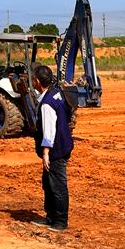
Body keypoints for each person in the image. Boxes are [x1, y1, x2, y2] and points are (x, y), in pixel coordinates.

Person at [31, 64, 72, 231]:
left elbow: (49, 130)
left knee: (57, 185)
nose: (32, 81)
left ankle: (60, 222)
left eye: (33, 79)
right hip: (63, 144)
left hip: (56, 150)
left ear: (38, 81)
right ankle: (50, 217)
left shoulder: (47, 103)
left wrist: (46, 152)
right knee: (48, 183)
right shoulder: (56, 93)